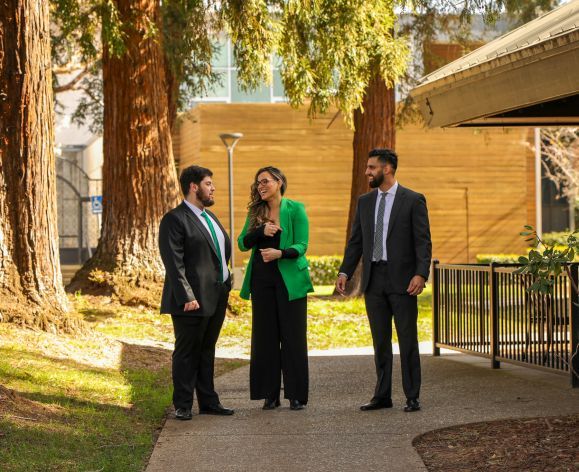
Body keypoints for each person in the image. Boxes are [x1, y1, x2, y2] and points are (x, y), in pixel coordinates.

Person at [336, 148, 432, 413]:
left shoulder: (413, 200)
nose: (367, 172)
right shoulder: (365, 202)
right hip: (374, 281)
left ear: (387, 169)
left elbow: (423, 242)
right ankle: (382, 395)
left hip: (403, 281)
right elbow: (356, 242)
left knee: (408, 340)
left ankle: (412, 396)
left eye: (371, 167)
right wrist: (345, 271)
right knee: (380, 341)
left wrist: (421, 274)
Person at [159, 165, 234, 420]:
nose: (213, 189)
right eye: (208, 184)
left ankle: (209, 401)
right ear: (194, 187)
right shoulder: (174, 219)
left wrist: (226, 280)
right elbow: (173, 261)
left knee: (207, 349)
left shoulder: (210, 217)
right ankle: (182, 404)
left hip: (216, 295)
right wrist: (187, 296)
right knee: (187, 351)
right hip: (191, 300)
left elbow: (219, 253)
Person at [238, 166, 314, 411]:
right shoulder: (255, 211)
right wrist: (261, 230)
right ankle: (269, 395)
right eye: (258, 182)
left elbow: (302, 245)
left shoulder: (295, 209)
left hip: (290, 281)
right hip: (261, 281)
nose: (260, 186)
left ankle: (296, 395)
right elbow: (242, 243)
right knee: (265, 338)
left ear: (279, 182)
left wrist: (280, 253)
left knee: (293, 337)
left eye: (265, 181)